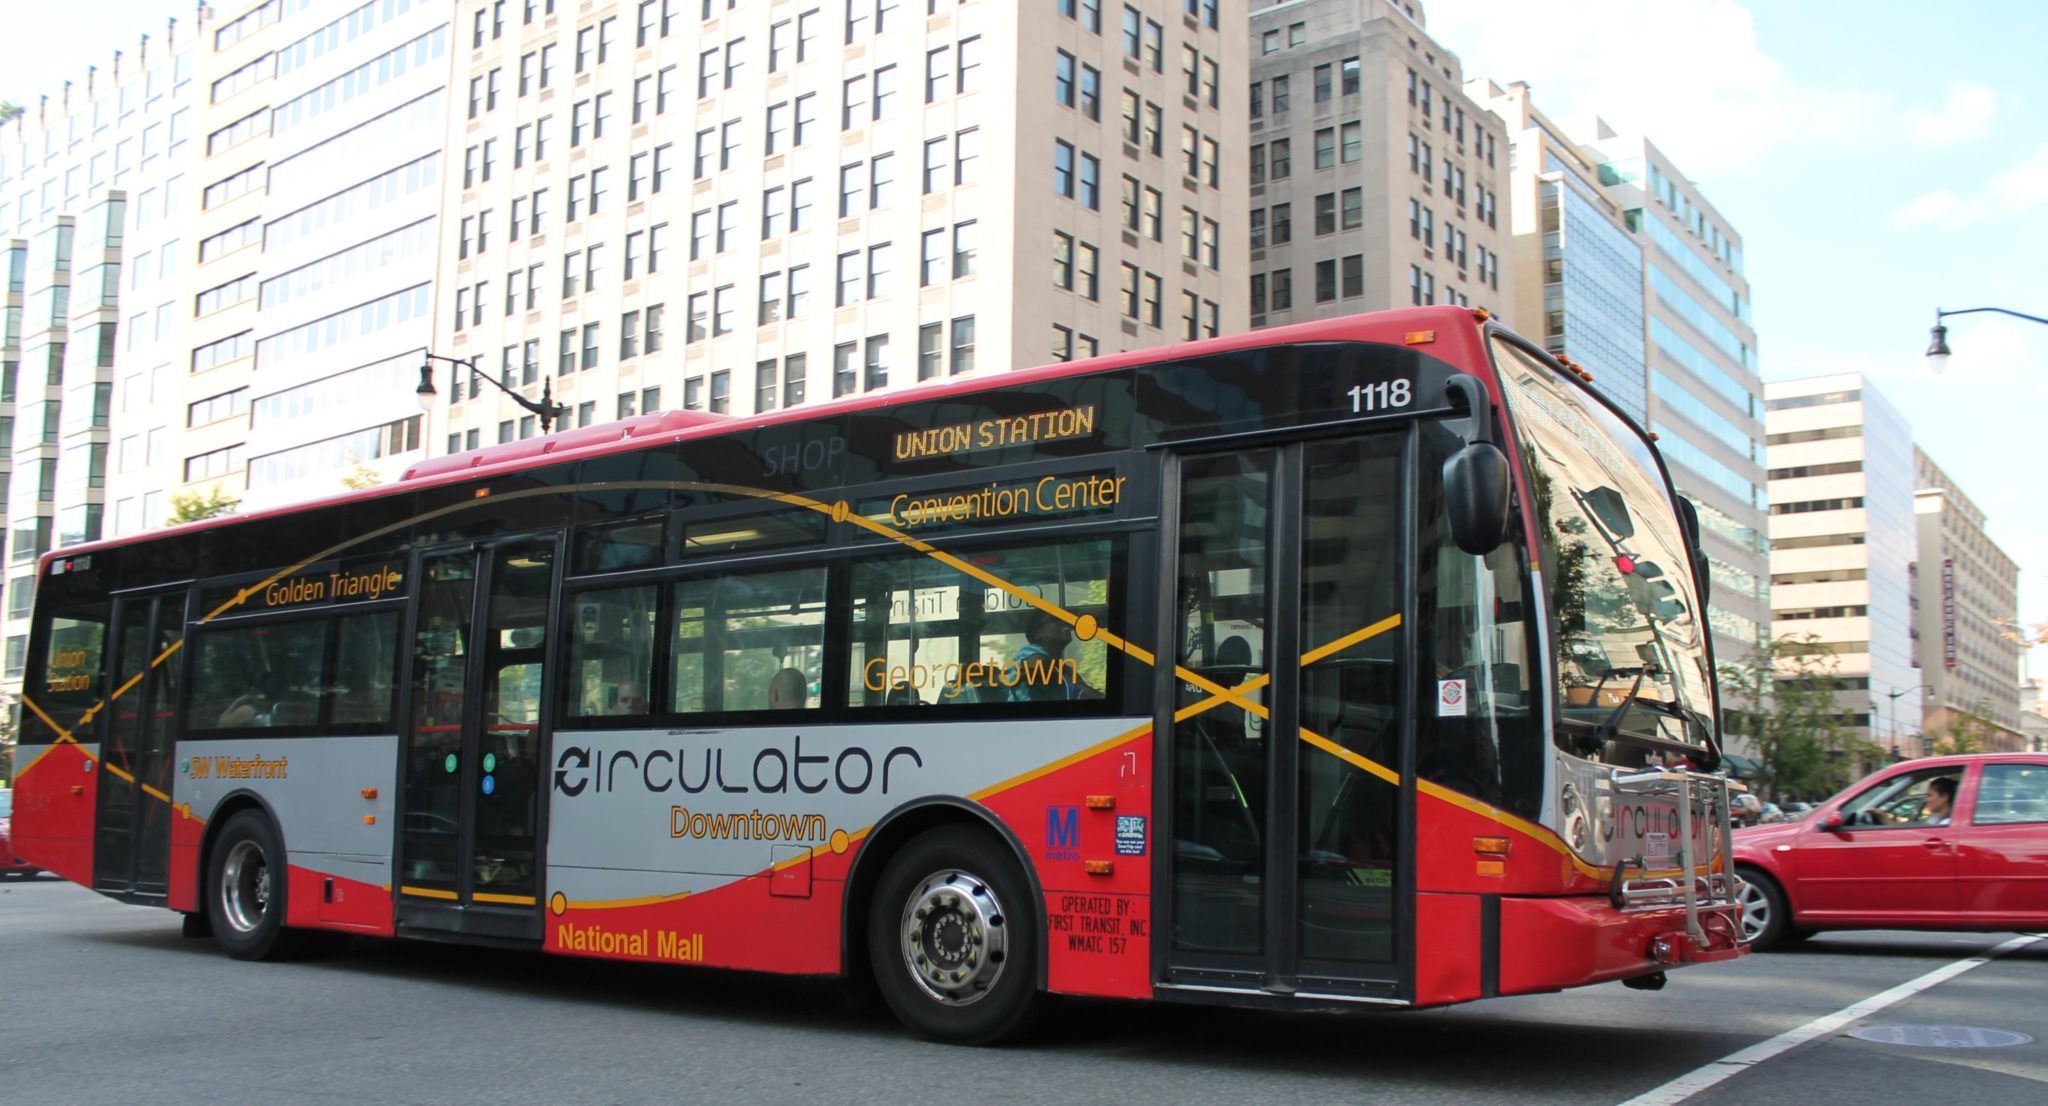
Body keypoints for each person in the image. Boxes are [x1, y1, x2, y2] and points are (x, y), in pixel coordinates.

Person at [1009, 610, 1098, 702]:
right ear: (1037, 633)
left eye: (1064, 620)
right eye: (1055, 620)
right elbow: (1036, 665)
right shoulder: (1030, 651)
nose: (1064, 624)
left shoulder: (1065, 669)